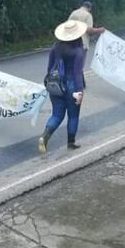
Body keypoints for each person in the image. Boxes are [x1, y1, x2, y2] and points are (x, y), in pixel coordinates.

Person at [39, 20, 87, 153]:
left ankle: (44, 137)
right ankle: (71, 142)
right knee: (73, 115)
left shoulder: (55, 47)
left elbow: (49, 68)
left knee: (57, 115)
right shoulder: (78, 51)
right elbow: (78, 73)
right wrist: (80, 91)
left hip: (56, 84)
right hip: (72, 85)